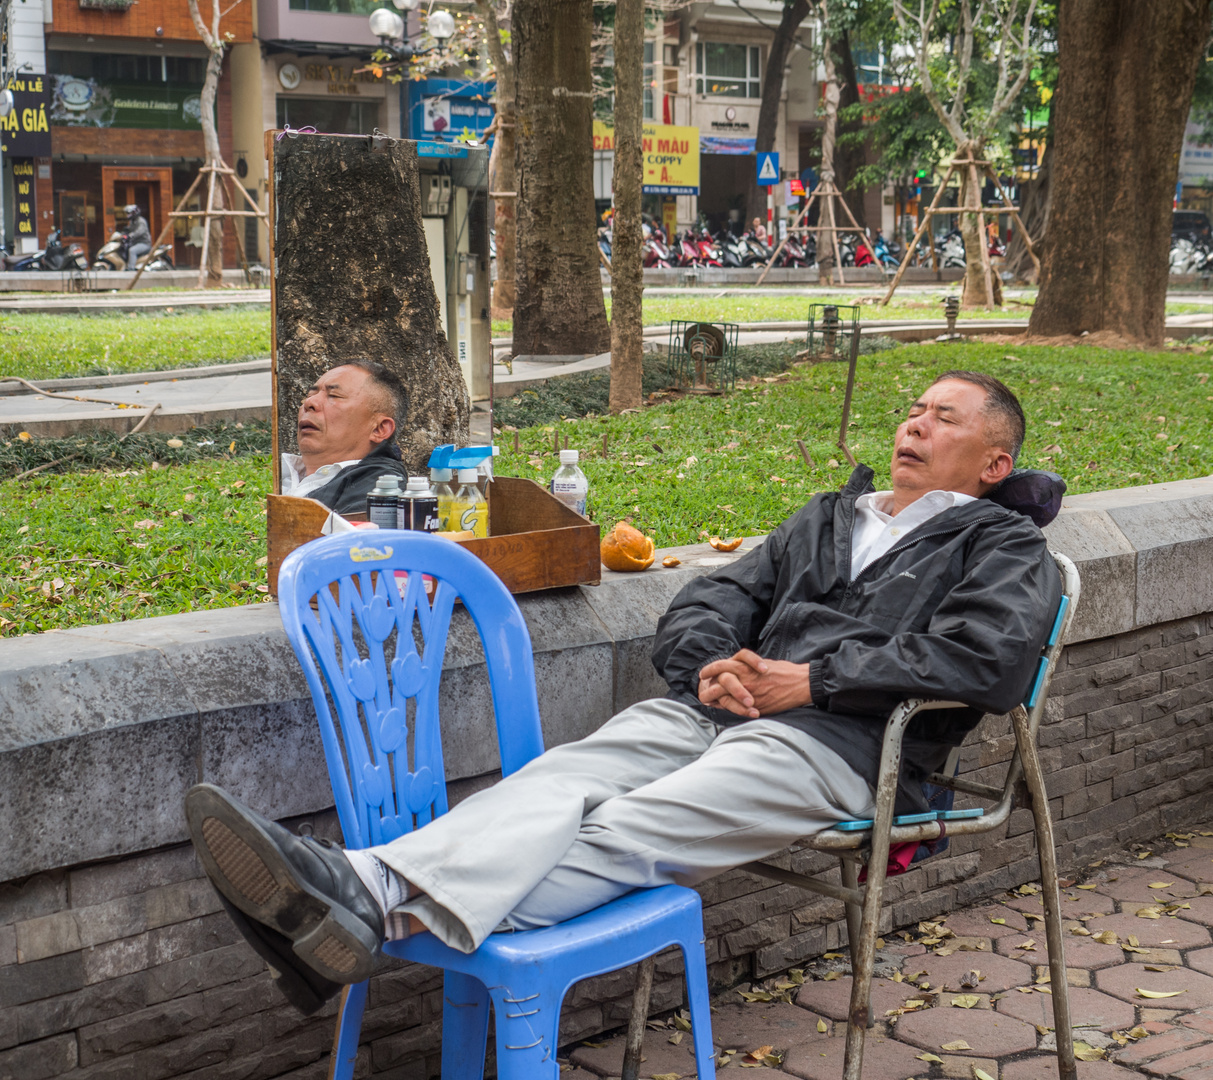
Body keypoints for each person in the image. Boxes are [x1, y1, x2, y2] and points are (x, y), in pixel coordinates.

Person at [186, 370, 1062, 1014]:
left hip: (845, 747)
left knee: (624, 828)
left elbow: (988, 663)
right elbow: (712, 597)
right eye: (912, 409)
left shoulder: (1001, 546)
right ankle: (361, 902)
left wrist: (817, 679)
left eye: (941, 418)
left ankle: (362, 908)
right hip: (716, 711)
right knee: (558, 781)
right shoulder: (830, 517)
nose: (913, 424)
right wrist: (710, 664)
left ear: (993, 462)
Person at [279, 359, 409, 515]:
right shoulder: (279, 470)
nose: (309, 402)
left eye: (334, 395)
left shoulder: (380, 492)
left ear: (379, 429)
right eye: (309, 395)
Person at [123, 205, 152, 270]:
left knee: (132, 251)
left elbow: (139, 231)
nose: (128, 215)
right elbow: (130, 229)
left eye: (129, 213)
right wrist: (124, 232)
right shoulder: (132, 222)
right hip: (136, 242)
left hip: (144, 243)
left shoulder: (141, 221)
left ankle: (131, 269)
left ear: (134, 213)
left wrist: (130, 235)